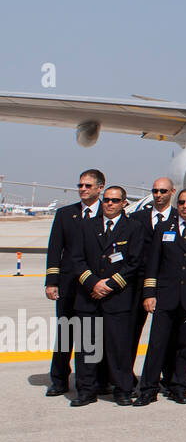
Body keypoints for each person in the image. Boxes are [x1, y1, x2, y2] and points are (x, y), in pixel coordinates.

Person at [135, 188, 186, 405]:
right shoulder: (163, 228)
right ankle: (148, 388)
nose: (184, 206)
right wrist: (149, 293)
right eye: (181, 202)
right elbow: (153, 264)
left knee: (185, 345)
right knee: (156, 344)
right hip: (165, 296)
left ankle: (179, 387)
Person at [67, 185, 144, 406]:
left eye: (115, 200)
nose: (109, 203)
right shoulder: (85, 226)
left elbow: (134, 262)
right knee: (86, 348)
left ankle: (122, 389)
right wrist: (94, 283)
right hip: (88, 296)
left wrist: (109, 284)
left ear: (123, 203)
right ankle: (86, 391)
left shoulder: (134, 228)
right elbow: (76, 259)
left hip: (117, 298)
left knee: (118, 347)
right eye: (107, 200)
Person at [44, 169, 104, 397]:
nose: (82, 189)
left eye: (88, 186)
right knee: (66, 333)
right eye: (80, 185)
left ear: (100, 187)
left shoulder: (106, 213)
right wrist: (51, 282)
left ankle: (92, 380)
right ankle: (59, 380)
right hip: (69, 285)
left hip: (94, 286)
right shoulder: (64, 214)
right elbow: (54, 250)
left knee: (91, 335)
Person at [129, 178, 177, 383]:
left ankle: (169, 377)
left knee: (168, 336)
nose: (158, 195)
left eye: (163, 191)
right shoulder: (136, 218)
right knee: (130, 333)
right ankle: (125, 377)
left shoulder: (179, 218)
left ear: (172, 192)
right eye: (155, 191)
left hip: (168, 286)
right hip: (138, 284)